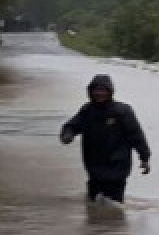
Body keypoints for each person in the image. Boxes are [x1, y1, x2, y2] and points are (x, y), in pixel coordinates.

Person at [60, 74, 151, 203]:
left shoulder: (123, 111)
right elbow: (72, 125)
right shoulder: (87, 110)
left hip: (117, 166)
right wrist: (67, 134)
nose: (99, 93)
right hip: (94, 165)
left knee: (114, 205)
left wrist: (144, 158)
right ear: (90, 92)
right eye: (95, 90)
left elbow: (136, 136)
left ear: (110, 92)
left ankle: (114, 222)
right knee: (93, 203)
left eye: (103, 90)